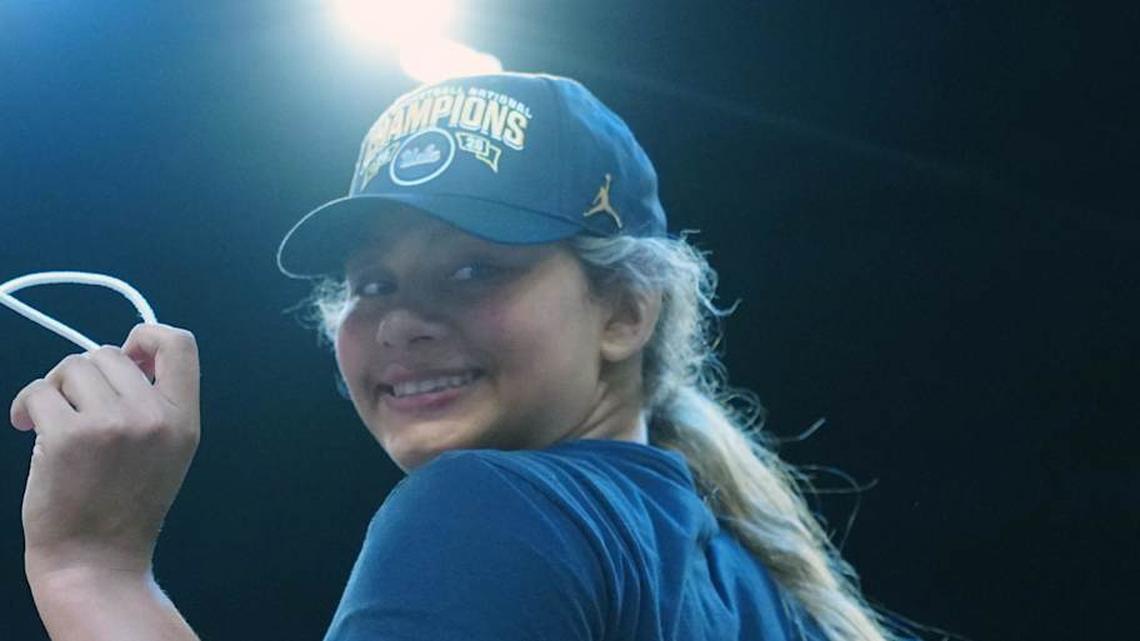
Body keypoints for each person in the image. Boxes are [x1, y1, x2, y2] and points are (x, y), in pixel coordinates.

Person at [10, 72, 927, 641]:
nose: (404, 321)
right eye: (372, 284)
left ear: (625, 310)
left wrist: (92, 566)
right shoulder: (767, 592)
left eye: (473, 268)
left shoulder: (493, 510)